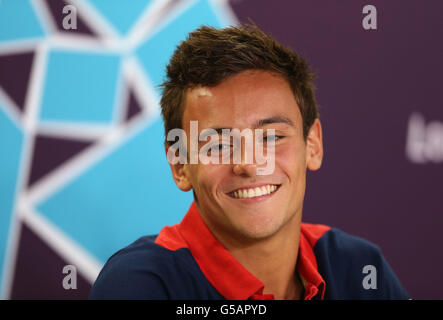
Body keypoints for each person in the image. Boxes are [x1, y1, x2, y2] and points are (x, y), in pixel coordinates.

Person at [89, 24, 409, 300]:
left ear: (312, 144)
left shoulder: (359, 267)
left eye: (270, 138)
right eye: (217, 144)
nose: (249, 164)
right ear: (180, 165)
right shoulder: (141, 284)